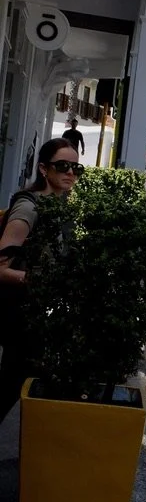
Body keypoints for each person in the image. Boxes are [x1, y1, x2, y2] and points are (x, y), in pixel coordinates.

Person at [0, 138, 84, 423]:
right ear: (44, 169)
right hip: (18, 312)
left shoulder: (60, 206)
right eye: (62, 166)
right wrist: (41, 280)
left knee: (31, 382)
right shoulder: (29, 209)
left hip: (40, 312)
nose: (70, 173)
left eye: (76, 167)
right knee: (13, 383)